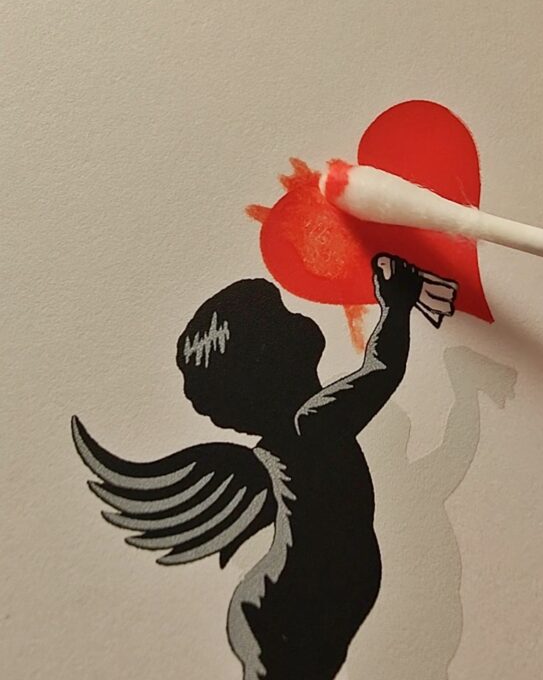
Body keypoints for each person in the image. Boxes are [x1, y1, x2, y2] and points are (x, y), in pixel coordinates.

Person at [73, 254, 430, 680]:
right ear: (268, 359)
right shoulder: (312, 424)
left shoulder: (291, 436)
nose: (298, 317)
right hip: (288, 604)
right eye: (280, 318)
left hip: (297, 601)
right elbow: (383, 369)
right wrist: (396, 304)